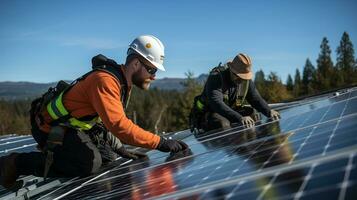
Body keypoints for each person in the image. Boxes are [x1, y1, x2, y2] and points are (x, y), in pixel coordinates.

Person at [0, 35, 188, 191]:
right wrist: (160, 142)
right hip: (50, 128)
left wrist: (119, 147)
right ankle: (15, 163)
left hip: (73, 126)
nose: (154, 76)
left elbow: (106, 120)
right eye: (152, 69)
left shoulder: (122, 82)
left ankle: (64, 155)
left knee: (108, 159)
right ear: (136, 63)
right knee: (88, 163)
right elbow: (119, 125)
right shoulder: (106, 80)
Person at [189, 53, 280, 133]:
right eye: (239, 76)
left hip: (229, 111)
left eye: (244, 77)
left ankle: (251, 143)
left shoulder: (246, 81)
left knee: (253, 114)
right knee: (223, 123)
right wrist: (239, 118)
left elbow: (255, 98)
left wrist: (269, 111)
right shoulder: (216, 77)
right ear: (231, 70)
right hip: (210, 113)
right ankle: (229, 149)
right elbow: (216, 103)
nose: (241, 80)